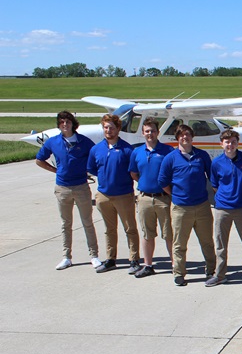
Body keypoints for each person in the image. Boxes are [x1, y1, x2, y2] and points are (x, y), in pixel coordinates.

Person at [36, 111, 100, 270]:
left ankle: (94, 255)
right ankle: (66, 256)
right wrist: (55, 170)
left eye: (68, 122)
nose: (65, 125)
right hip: (62, 187)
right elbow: (39, 160)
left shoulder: (84, 141)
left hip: (81, 187)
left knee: (87, 222)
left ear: (73, 124)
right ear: (59, 124)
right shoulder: (53, 142)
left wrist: (89, 170)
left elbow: (95, 156)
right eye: (62, 122)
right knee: (66, 223)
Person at [158, 124, 216, 287]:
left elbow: (212, 177)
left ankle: (211, 269)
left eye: (188, 135)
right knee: (179, 243)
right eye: (182, 135)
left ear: (192, 137)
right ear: (177, 138)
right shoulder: (170, 158)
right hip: (180, 208)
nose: (185, 138)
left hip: (202, 205)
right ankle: (179, 272)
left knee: (207, 241)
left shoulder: (202, 155)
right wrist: (177, 195)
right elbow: (163, 181)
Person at [87, 114, 140, 274]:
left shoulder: (127, 150)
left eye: (111, 127)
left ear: (118, 129)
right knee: (109, 229)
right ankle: (111, 259)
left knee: (130, 228)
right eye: (105, 127)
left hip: (124, 195)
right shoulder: (97, 149)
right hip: (104, 195)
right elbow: (92, 168)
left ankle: (134, 259)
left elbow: (133, 170)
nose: (108, 130)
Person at [209, 129, 242, 287]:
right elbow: (215, 185)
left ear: (237, 143)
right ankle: (220, 274)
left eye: (233, 142)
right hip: (222, 209)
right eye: (227, 142)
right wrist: (225, 198)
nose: (230, 145)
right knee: (220, 243)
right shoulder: (217, 162)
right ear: (221, 144)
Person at [128, 117, 173, 278]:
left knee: (169, 234)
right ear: (143, 133)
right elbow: (133, 173)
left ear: (158, 132)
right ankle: (148, 265)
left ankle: (176, 264)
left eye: (153, 131)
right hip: (145, 198)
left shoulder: (168, 151)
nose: (150, 134)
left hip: (164, 199)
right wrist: (146, 183)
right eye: (147, 131)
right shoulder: (137, 152)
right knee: (147, 234)